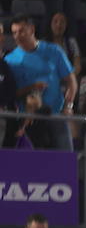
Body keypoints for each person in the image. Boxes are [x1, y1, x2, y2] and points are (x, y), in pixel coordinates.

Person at [6, 15, 77, 151]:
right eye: (14, 33)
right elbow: (10, 93)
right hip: (28, 119)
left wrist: (68, 106)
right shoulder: (10, 60)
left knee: (65, 162)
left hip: (56, 116)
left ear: (32, 29)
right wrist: (32, 87)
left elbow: (71, 82)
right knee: (34, 167)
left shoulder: (54, 51)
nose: (17, 36)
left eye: (21, 31)